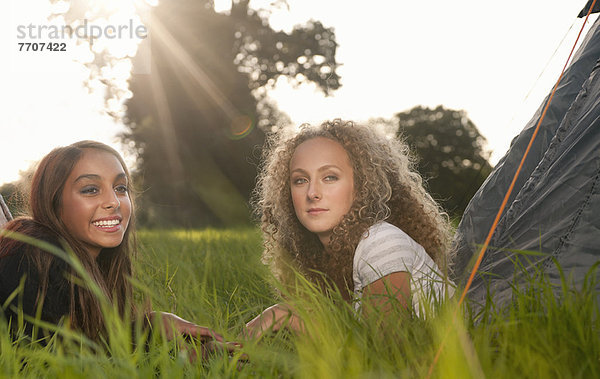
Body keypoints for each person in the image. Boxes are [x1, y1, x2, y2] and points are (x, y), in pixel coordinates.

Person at [0, 141, 223, 347]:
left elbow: (90, 346)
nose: (114, 202)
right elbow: (51, 365)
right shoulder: (34, 255)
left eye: (121, 188)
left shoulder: (89, 265)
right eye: (90, 190)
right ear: (54, 202)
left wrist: (149, 326)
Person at [246, 120, 455, 336]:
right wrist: (221, 347)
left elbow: (383, 351)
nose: (312, 193)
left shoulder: (381, 241)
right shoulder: (320, 260)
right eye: (300, 180)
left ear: (362, 185)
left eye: (330, 177)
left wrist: (284, 317)